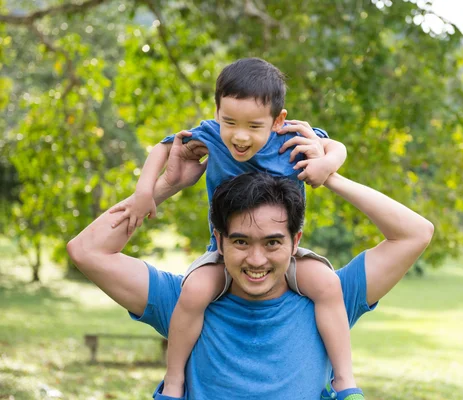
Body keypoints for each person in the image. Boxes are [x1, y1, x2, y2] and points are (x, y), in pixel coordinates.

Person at [67, 130, 435, 399]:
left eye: (273, 242)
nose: (256, 260)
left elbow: (415, 233)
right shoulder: (185, 302)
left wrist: (328, 174)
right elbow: (87, 251)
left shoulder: (330, 296)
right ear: (219, 240)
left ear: (296, 241)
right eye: (241, 242)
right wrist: (161, 187)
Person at [107, 57, 357, 398]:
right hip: (225, 254)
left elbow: (336, 147)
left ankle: (344, 382)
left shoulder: (291, 138)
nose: (239, 137)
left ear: (277, 119)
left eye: (254, 126)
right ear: (216, 112)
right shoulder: (209, 134)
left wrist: (326, 165)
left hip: (281, 253)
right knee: (193, 292)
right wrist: (143, 192)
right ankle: (175, 382)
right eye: (229, 122)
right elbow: (163, 150)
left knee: (328, 284)